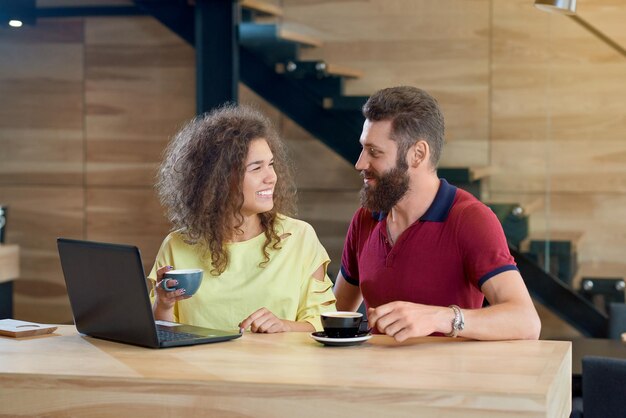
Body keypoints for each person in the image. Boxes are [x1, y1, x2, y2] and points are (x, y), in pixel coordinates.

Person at [333, 86, 541, 342]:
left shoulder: (470, 220)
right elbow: (335, 313)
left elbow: (526, 322)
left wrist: (439, 318)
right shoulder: (365, 219)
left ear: (417, 154)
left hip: (449, 380)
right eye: (363, 149)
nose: (360, 163)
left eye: (374, 152)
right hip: (376, 378)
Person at [148, 104, 336, 333]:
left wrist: (283, 326)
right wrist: (164, 303)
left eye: (271, 165)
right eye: (256, 168)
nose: (272, 177)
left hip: (278, 368)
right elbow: (162, 331)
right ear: (220, 180)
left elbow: (323, 324)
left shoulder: (300, 237)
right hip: (199, 367)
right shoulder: (177, 246)